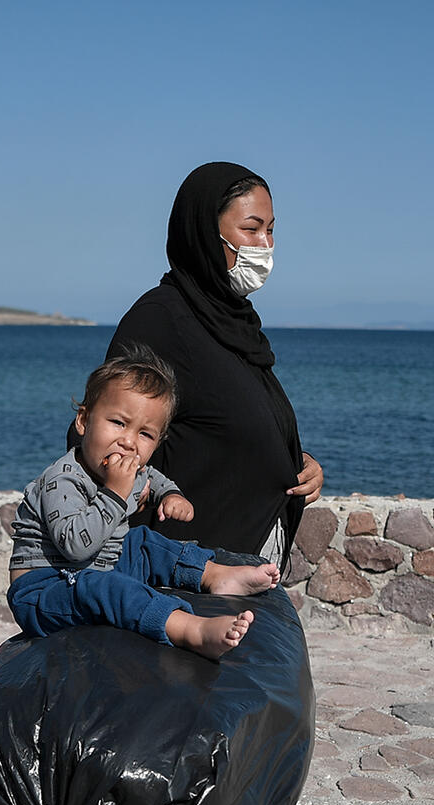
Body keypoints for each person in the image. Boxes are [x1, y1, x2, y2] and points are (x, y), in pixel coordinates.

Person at [106, 161, 324, 570]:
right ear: (205, 231)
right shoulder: (161, 321)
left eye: (271, 230)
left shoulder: (235, 323)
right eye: (251, 228)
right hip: (188, 574)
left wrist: (297, 462)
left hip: (245, 565)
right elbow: (108, 438)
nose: (264, 244)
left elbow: (227, 426)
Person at [8, 348, 279, 661]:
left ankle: (215, 575)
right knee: (103, 587)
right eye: (118, 423)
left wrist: (170, 495)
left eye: (145, 434)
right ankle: (188, 628)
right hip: (44, 589)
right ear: (83, 420)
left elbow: (154, 477)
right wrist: (114, 494)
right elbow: (75, 547)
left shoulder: (128, 469)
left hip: (95, 567)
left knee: (142, 542)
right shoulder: (62, 480)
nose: (129, 441)